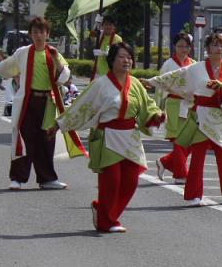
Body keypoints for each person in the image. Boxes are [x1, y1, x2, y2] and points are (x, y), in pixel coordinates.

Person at [54, 42, 164, 233]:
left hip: (130, 138)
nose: (126, 60)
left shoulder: (136, 84)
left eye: (129, 57)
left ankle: (106, 211)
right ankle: (107, 221)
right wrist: (59, 124)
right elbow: (81, 105)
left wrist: (156, 115)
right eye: (122, 56)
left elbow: (148, 106)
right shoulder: (100, 84)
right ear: (112, 60)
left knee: (131, 181)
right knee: (111, 181)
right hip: (108, 137)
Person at [0, 16, 86, 190]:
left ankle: (47, 178)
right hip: (28, 102)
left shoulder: (53, 54)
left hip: (48, 104)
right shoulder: (23, 52)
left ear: (47, 34)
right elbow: (7, 65)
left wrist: (57, 59)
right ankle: (18, 178)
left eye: (41, 32)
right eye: (35, 32)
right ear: (30, 34)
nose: (38, 35)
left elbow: (65, 77)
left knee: (46, 141)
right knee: (24, 139)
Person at [149, 31, 222, 206]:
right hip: (201, 115)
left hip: (220, 117)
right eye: (215, 45)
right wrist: (153, 81)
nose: (219, 48)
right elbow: (176, 76)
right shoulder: (197, 68)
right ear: (208, 49)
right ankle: (193, 195)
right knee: (198, 157)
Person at [155, 32, 195, 184]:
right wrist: (159, 108)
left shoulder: (194, 64)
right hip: (173, 104)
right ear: (174, 46)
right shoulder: (168, 64)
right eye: (180, 46)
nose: (183, 49)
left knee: (190, 140)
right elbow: (161, 86)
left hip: (190, 105)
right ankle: (180, 174)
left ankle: (165, 162)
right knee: (178, 139)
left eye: (186, 46)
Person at [90, 15, 122, 80]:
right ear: (102, 26)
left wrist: (102, 53)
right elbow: (92, 35)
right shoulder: (100, 35)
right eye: (106, 24)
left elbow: (115, 54)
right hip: (98, 72)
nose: (108, 27)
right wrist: (96, 23)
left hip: (111, 72)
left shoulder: (117, 38)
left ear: (114, 27)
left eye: (110, 25)